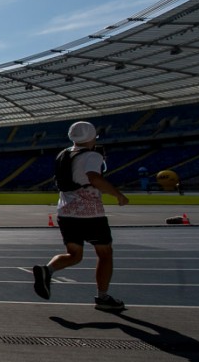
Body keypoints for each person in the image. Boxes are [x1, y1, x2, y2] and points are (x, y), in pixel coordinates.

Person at [32, 121, 129, 312]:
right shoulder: (92, 155)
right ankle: (103, 297)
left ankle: (47, 270)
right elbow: (94, 177)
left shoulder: (63, 154)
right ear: (91, 137)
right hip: (90, 214)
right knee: (105, 253)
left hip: (66, 213)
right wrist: (118, 194)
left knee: (74, 255)